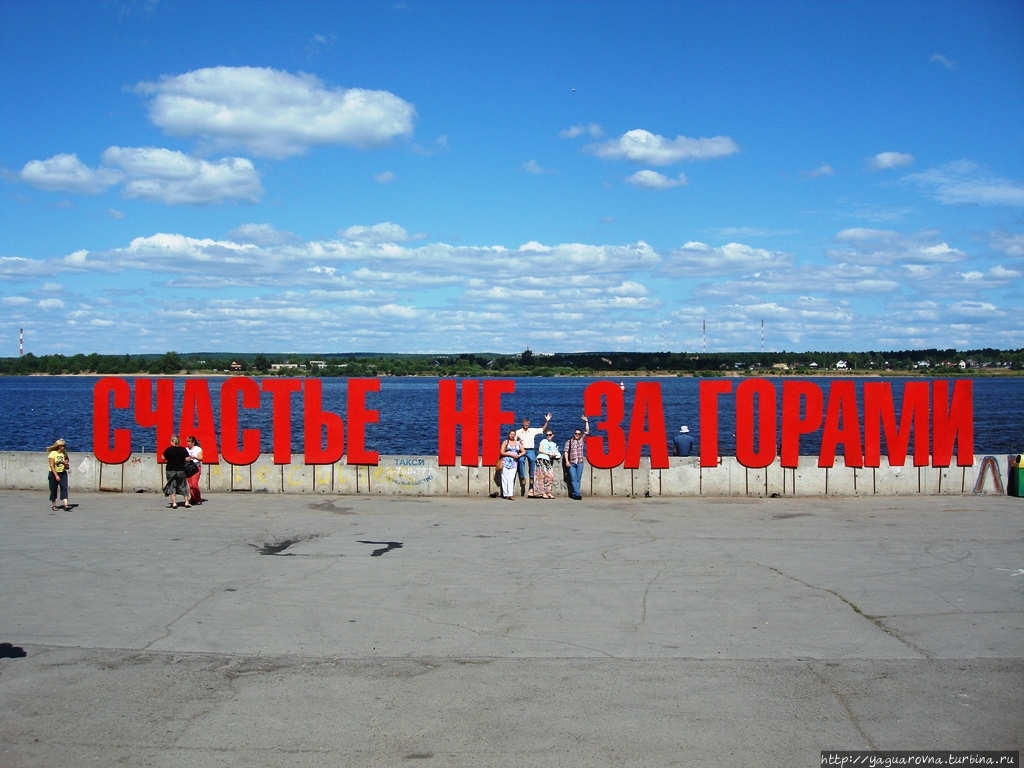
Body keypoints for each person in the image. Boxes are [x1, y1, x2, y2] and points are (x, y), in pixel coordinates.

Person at [517, 413, 552, 497]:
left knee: (533, 460)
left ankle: (531, 477)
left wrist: (547, 421)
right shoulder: (518, 432)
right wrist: (518, 441)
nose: (526, 424)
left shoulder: (532, 431)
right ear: (523, 423)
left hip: (530, 450)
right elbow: (513, 440)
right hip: (522, 450)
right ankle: (523, 478)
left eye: (528, 423)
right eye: (525, 423)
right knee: (521, 460)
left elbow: (542, 430)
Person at [562, 415, 589, 500]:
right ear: (574, 434)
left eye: (578, 434)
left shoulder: (581, 440)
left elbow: (587, 431)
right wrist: (567, 461)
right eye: (576, 433)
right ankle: (577, 494)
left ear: (580, 435)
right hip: (572, 463)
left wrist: (586, 422)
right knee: (573, 479)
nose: (577, 435)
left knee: (578, 479)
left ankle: (574, 493)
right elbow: (566, 452)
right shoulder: (569, 441)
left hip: (580, 462)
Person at [162, 435, 192, 509]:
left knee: (172, 486)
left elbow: (162, 458)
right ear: (179, 441)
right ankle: (186, 502)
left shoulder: (168, 450)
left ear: (172, 441)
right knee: (183, 485)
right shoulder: (183, 450)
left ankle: (174, 503)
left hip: (170, 469)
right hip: (181, 470)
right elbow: (187, 459)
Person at [534, 429, 561, 499]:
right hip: (540, 459)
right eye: (547, 435)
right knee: (541, 477)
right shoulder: (543, 441)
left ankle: (548, 492)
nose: (548, 436)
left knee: (550, 477)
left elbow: (553, 453)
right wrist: (548, 453)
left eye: (550, 435)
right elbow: (540, 450)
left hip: (548, 460)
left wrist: (553, 455)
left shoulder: (554, 444)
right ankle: (542, 493)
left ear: (552, 435)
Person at [500, 429, 524, 501]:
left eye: (513, 434)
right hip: (505, 461)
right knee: (504, 478)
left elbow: (523, 451)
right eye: (511, 434)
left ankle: (510, 494)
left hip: (514, 463)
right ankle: (505, 494)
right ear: (509, 434)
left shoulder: (518, 443)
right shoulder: (505, 442)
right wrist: (510, 454)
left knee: (511, 479)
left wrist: (519, 455)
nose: (512, 435)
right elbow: (502, 452)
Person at [46, 438, 70, 511]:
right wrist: (56, 475)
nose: (63, 447)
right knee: (53, 489)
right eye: (62, 446)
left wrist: (66, 465)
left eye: (64, 446)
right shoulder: (53, 453)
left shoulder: (64, 453)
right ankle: (54, 505)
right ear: (58, 446)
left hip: (63, 473)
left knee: (64, 488)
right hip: (53, 473)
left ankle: (66, 505)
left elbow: (67, 461)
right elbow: (51, 465)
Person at [185, 435, 203, 505]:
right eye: (187, 442)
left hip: (196, 466)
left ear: (193, 442)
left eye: (189, 442)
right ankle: (192, 498)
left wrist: (195, 457)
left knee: (194, 483)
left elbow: (201, 458)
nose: (188, 443)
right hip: (189, 467)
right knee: (190, 485)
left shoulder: (198, 449)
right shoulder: (186, 449)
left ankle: (198, 498)